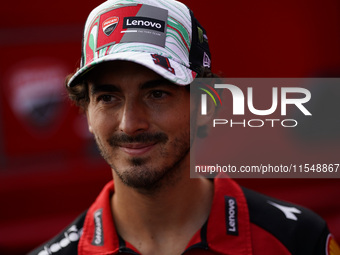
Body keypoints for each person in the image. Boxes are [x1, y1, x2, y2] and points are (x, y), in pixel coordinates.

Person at [29, 0, 339, 254]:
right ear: (86, 113)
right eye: (108, 97)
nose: (130, 123)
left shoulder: (297, 241)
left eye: (157, 94)